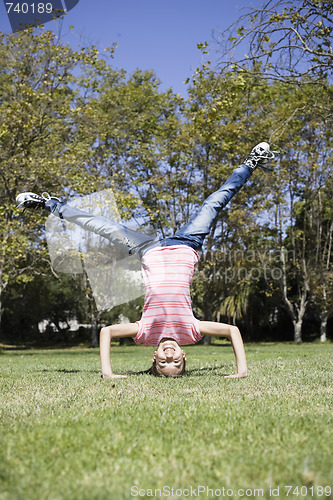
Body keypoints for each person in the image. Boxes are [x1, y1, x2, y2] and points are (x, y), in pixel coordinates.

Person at [16, 142, 275, 379]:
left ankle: (49, 204)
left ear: (154, 357)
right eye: (176, 363)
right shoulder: (193, 331)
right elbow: (232, 332)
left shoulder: (145, 334)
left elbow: (106, 332)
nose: (169, 357)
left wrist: (108, 373)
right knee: (212, 204)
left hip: (148, 250)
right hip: (187, 245)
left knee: (102, 226)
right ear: (185, 356)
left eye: (163, 364)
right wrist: (241, 371)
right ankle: (251, 163)